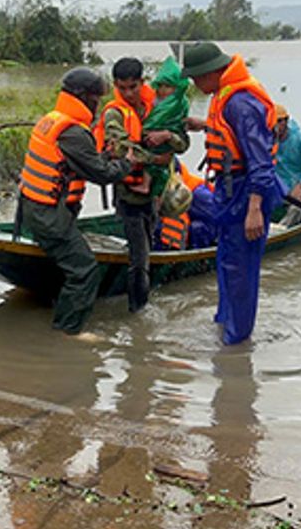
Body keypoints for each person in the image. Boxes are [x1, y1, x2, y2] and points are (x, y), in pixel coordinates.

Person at [16, 67, 137, 338]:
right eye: (96, 98)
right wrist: (126, 164)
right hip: (48, 213)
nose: (99, 104)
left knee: (66, 261)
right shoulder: (72, 132)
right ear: (84, 98)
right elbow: (101, 176)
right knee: (85, 269)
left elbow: (83, 164)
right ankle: (67, 332)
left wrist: (105, 158)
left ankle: (56, 304)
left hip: (34, 207)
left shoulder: (54, 119)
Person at [182, 42, 286, 345]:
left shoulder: (240, 103)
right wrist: (203, 125)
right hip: (229, 192)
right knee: (227, 261)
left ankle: (237, 342)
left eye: (198, 78)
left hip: (246, 192)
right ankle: (224, 323)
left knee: (241, 270)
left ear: (214, 72)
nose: (195, 84)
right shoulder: (224, 96)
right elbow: (231, 135)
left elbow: (261, 163)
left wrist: (255, 208)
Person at [92, 57, 181, 313]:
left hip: (152, 194)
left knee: (146, 251)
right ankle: (138, 315)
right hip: (129, 195)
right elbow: (121, 149)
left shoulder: (155, 105)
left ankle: (139, 303)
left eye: (133, 87)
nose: (129, 93)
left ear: (142, 82)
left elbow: (178, 140)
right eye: (122, 88)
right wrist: (156, 158)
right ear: (115, 86)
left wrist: (169, 138)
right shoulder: (114, 112)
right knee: (139, 260)